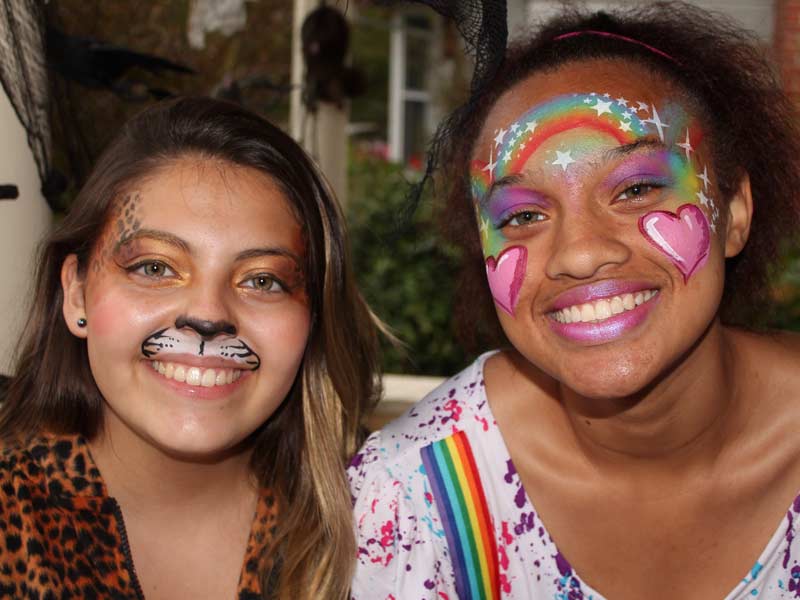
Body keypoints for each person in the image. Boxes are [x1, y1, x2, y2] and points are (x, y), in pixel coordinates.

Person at [349, 3, 800, 599]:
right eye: (524, 215)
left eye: (636, 189)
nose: (580, 255)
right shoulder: (407, 502)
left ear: (735, 212)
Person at [0, 96, 380, 600]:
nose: (207, 316)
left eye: (262, 280)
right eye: (155, 268)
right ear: (76, 293)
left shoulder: (384, 528)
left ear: (313, 318)